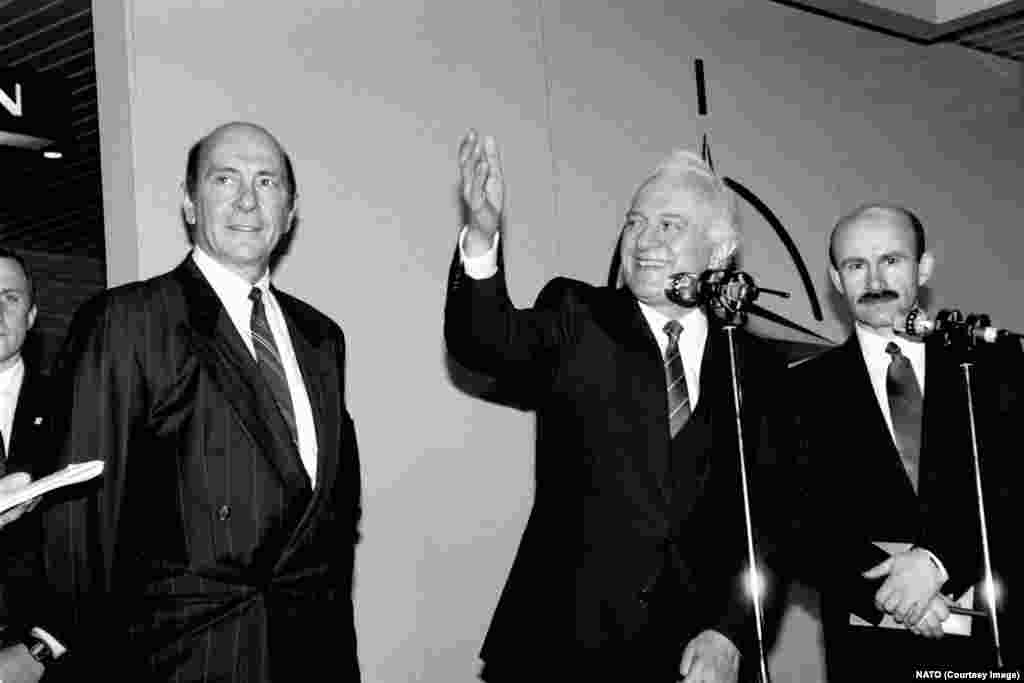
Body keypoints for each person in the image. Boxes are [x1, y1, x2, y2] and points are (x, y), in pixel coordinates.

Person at [444, 130, 789, 682]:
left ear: (720, 251)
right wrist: (483, 235)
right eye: (634, 222)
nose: (643, 240)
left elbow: (769, 521)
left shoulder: (756, 367)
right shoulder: (578, 315)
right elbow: (484, 342)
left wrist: (732, 631)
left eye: (669, 226)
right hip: (561, 648)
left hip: (693, 658)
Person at [39, 122, 362, 681]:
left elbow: (330, 516)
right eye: (224, 179)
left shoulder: (321, 337)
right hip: (184, 661)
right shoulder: (129, 321)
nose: (246, 200)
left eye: (267, 182)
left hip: (310, 653)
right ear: (190, 204)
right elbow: (80, 528)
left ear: (290, 211)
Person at [789, 204, 1020, 680]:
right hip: (871, 652)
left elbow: (1012, 487)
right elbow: (794, 521)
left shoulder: (994, 370)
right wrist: (894, 594)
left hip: (1001, 644)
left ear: (924, 268)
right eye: (855, 265)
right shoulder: (798, 390)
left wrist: (938, 564)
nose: (874, 278)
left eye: (891, 260)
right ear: (835, 279)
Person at [0, 249, 67, 682]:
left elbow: (111, 537)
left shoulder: (76, 407)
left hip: (46, 657)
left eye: (9, 297)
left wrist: (43, 648)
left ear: (31, 315)